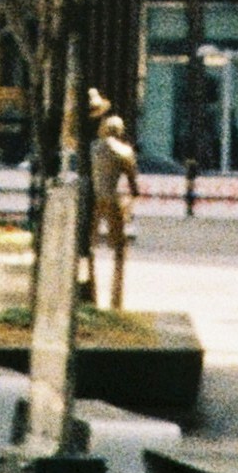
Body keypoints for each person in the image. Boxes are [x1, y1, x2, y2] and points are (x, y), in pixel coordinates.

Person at [85, 91, 138, 310]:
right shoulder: (124, 151)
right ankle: (116, 298)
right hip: (112, 199)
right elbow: (134, 186)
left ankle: (90, 291)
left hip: (94, 200)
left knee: (89, 244)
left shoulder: (93, 148)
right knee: (119, 247)